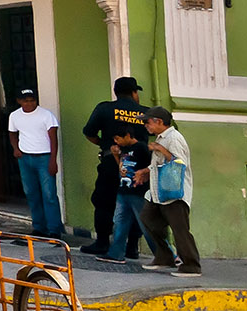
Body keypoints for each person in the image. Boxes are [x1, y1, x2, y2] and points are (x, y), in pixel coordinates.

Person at [80, 76, 147, 256]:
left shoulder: (105, 109)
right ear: (134, 93)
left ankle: (102, 242)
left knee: (104, 201)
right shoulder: (144, 113)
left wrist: (104, 144)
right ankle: (132, 247)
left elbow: (89, 132)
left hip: (111, 161)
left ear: (116, 92)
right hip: (138, 165)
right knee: (134, 202)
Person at [138, 106, 201, 277]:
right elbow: (158, 164)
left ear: (159, 121)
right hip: (159, 191)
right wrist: (145, 172)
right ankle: (164, 256)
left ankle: (191, 265)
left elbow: (180, 163)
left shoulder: (173, 139)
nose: (145, 125)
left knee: (179, 229)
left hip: (174, 192)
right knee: (148, 218)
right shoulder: (162, 138)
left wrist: (161, 150)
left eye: (147, 122)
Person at [95, 129, 158, 264]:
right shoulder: (123, 149)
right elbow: (123, 168)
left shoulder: (141, 148)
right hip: (123, 191)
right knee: (120, 223)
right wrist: (116, 156)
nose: (116, 142)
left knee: (146, 224)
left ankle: (165, 254)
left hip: (138, 192)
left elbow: (151, 167)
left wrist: (144, 176)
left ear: (128, 135)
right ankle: (116, 253)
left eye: (118, 138)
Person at [7, 89, 62, 239]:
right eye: (26, 100)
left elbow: (53, 139)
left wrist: (53, 160)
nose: (29, 103)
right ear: (19, 101)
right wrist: (16, 149)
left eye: (32, 100)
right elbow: (12, 133)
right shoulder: (15, 116)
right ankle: (39, 227)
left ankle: (54, 229)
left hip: (44, 157)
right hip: (25, 158)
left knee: (49, 193)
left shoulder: (46, 115)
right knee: (31, 193)